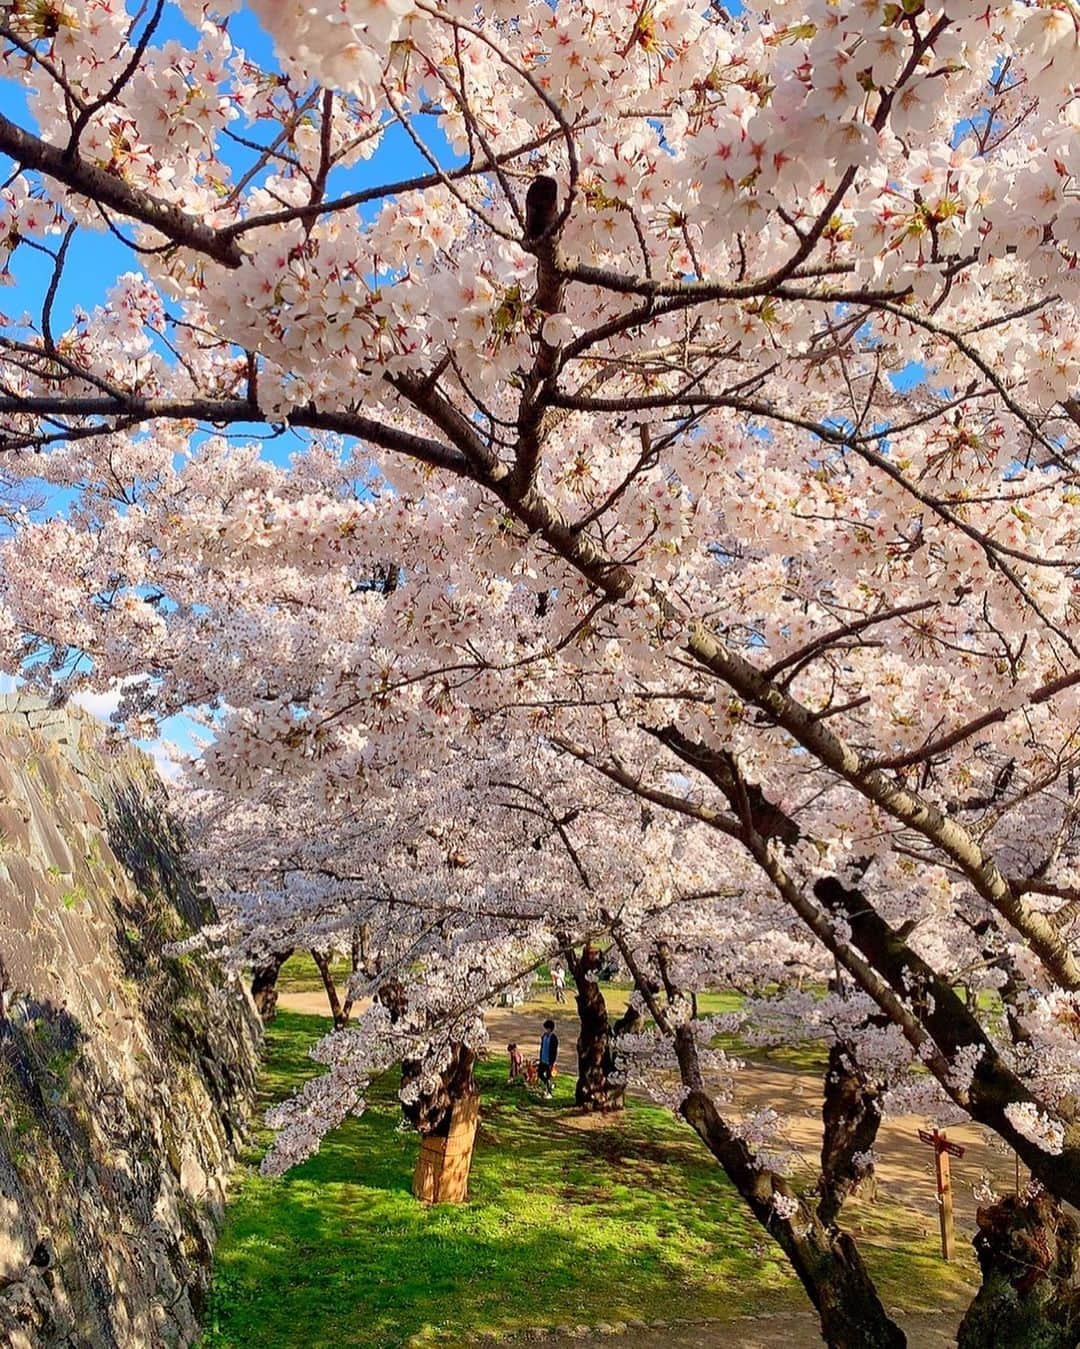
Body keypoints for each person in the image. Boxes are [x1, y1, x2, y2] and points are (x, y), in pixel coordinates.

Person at [538, 1019, 559, 1097]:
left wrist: (552, 1062)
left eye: (547, 1029)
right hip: (543, 1060)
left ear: (550, 1029)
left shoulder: (554, 1038)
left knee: (549, 1076)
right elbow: (542, 1047)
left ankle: (549, 1093)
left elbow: (554, 1051)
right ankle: (548, 1085)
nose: (545, 1030)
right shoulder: (544, 1036)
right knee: (540, 1074)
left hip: (549, 1061)